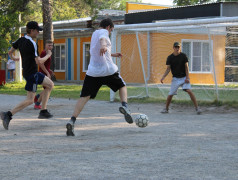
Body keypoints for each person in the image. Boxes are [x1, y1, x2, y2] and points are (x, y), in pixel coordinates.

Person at [66, 18, 133, 136]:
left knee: (84, 97)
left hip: (93, 72)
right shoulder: (103, 32)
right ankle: (125, 106)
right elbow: (103, 40)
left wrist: (112, 53)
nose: (110, 32)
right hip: (108, 70)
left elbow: (99, 50)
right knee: (122, 85)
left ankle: (72, 120)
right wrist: (103, 45)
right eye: (111, 30)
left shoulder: (94, 34)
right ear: (108, 27)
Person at [0, 21, 54, 130]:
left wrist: (14, 58)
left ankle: (43, 111)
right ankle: (8, 114)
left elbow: (10, 51)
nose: (38, 32)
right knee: (30, 100)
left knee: (50, 85)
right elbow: (38, 62)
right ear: (32, 30)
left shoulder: (20, 40)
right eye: (37, 30)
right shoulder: (32, 43)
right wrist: (48, 55)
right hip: (32, 74)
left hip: (30, 73)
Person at [160, 42, 201, 115]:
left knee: (189, 91)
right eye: (176, 47)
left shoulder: (183, 56)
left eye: (178, 47)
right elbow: (168, 69)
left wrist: (187, 77)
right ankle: (166, 109)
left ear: (180, 48)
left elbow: (186, 67)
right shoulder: (170, 57)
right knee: (170, 94)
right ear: (173, 48)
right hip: (175, 79)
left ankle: (197, 108)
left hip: (184, 78)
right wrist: (163, 77)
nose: (177, 48)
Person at [34, 40, 54, 110]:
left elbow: (46, 64)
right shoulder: (44, 53)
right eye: (49, 45)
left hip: (46, 72)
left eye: (51, 45)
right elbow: (41, 64)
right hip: (43, 73)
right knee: (48, 88)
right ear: (45, 45)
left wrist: (49, 70)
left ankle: (37, 97)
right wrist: (47, 73)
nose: (50, 47)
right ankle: (37, 104)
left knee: (47, 88)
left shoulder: (48, 52)